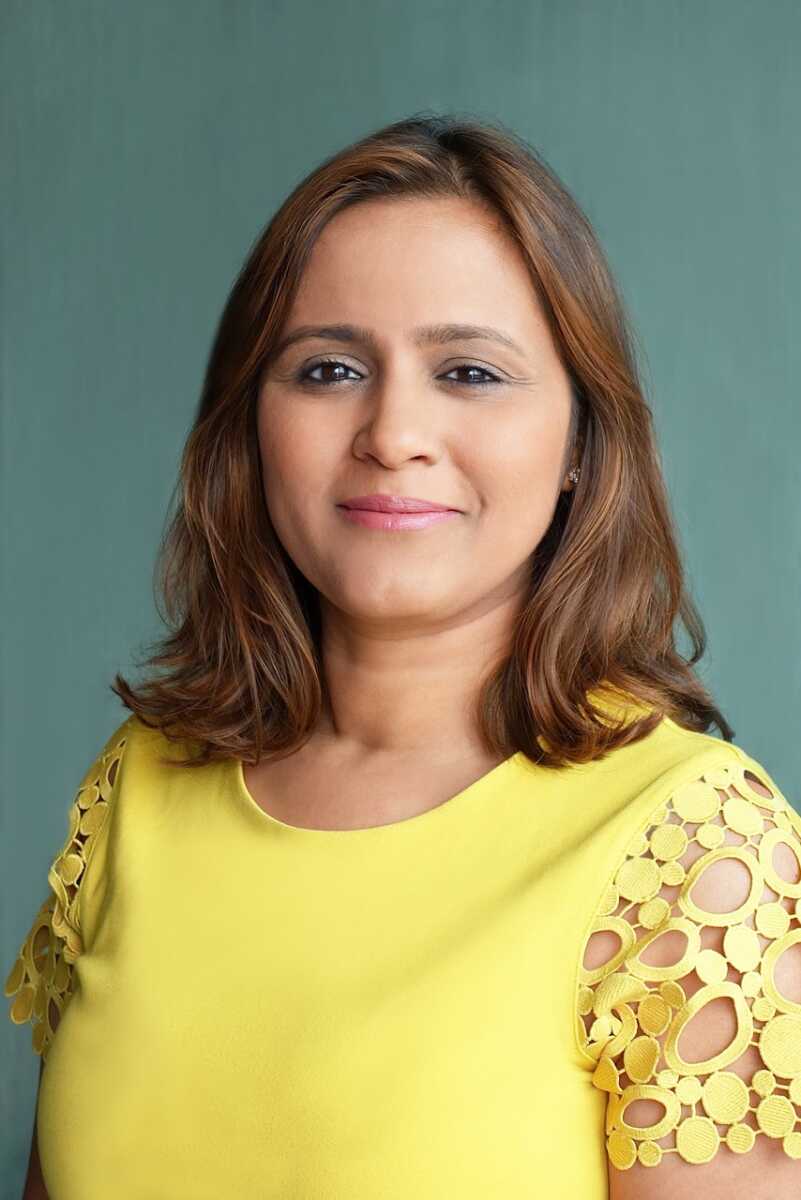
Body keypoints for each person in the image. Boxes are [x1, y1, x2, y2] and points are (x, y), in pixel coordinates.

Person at [5, 113, 800, 1200]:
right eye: (328, 369)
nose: (392, 431)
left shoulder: (696, 853)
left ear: (579, 445)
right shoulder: (137, 785)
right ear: (252, 426)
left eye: (469, 372)